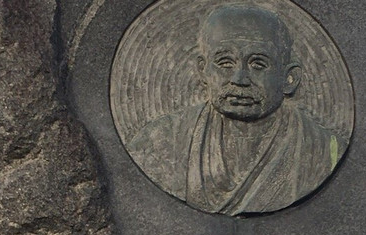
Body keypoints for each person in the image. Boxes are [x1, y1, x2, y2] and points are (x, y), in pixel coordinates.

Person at [127, 4, 345, 215]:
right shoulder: (159, 143)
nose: (239, 79)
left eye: (258, 64)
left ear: (289, 78)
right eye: (225, 63)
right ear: (203, 70)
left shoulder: (322, 151)